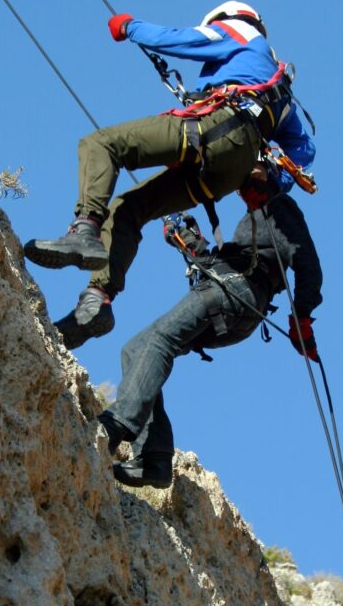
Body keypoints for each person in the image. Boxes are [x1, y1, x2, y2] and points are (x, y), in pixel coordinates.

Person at [22, 1, 316, 348]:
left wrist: (130, 28)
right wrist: (271, 179)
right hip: (227, 172)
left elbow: (183, 40)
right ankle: (97, 302)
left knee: (101, 145)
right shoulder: (279, 91)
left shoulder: (241, 31)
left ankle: (84, 229)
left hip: (216, 128)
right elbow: (304, 149)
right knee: (128, 209)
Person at [97, 193, 323, 488]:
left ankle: (117, 424)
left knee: (158, 341)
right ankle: (155, 458)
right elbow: (219, 261)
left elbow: (308, 264)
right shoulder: (257, 222)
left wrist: (301, 317)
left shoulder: (278, 205)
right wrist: (187, 239)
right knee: (135, 350)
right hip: (234, 301)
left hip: (231, 292)